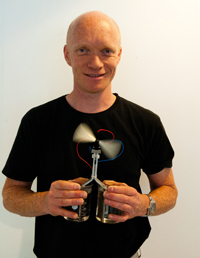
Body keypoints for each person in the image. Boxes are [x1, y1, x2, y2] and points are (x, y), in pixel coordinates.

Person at [2, 11, 178, 258]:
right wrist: (45, 202)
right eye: (83, 50)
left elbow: (169, 190)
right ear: (67, 55)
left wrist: (142, 205)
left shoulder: (146, 122)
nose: (95, 63)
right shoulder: (37, 121)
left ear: (119, 55)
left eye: (106, 50)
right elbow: (10, 196)